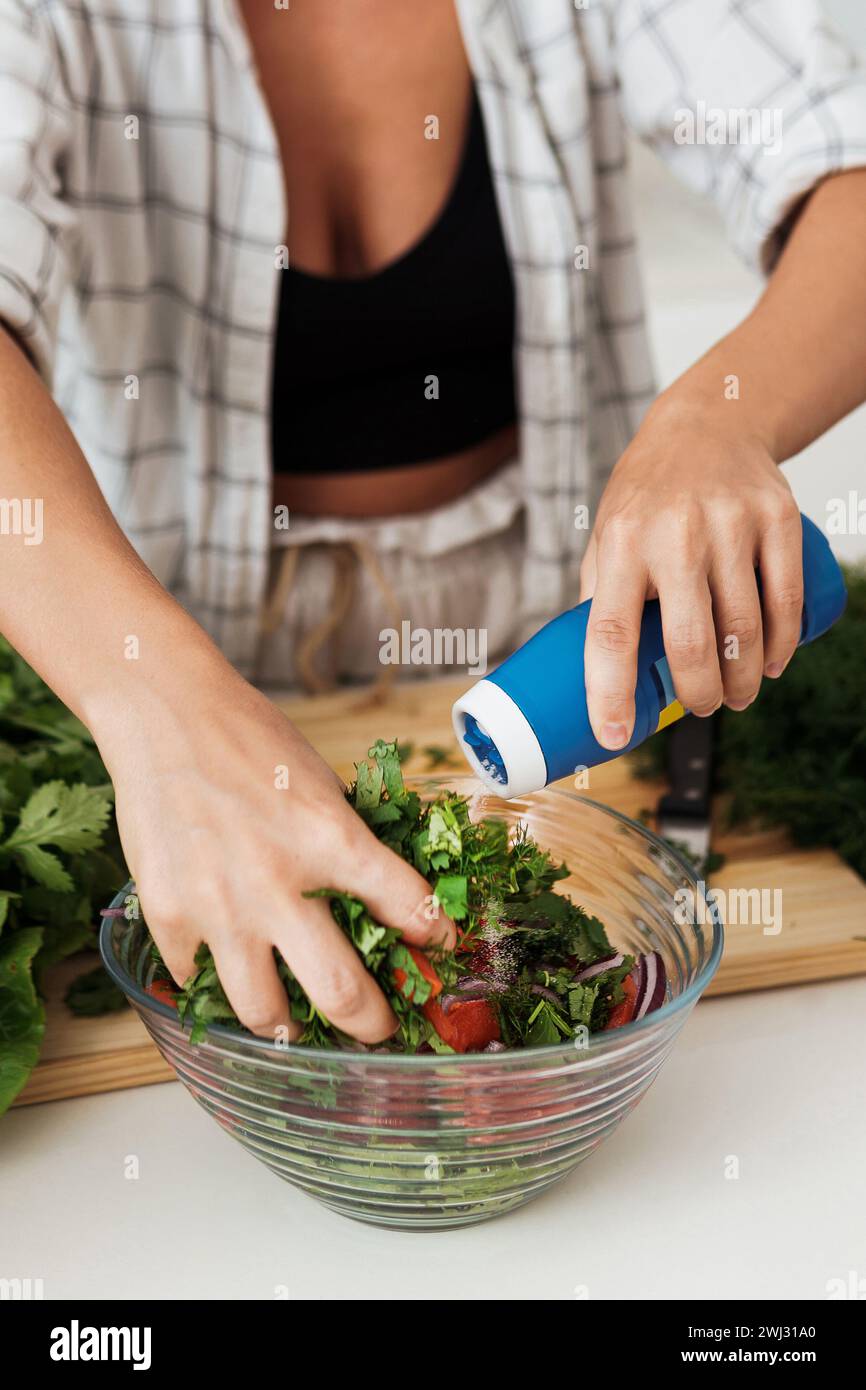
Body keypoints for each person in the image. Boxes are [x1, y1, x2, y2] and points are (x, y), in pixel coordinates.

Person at [1, 0, 864, 1044]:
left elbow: (845, 165)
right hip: (168, 659)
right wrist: (153, 705)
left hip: (549, 643)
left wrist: (715, 418)